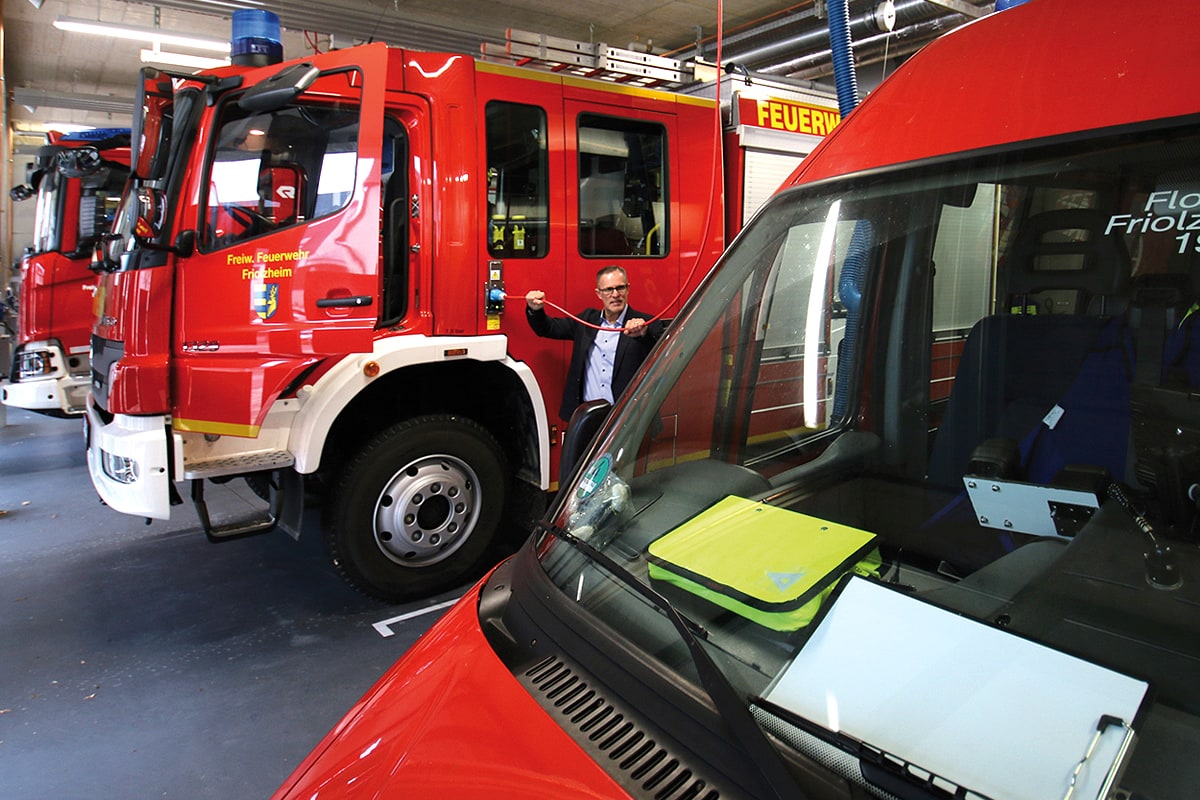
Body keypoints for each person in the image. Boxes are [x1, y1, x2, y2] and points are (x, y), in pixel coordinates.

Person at [525, 265, 664, 423]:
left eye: (620, 288)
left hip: (628, 420)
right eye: (608, 290)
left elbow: (663, 354)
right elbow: (549, 328)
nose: (615, 294)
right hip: (589, 417)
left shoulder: (646, 323)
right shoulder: (586, 320)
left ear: (628, 288)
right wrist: (535, 310)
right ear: (599, 294)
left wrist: (643, 334)